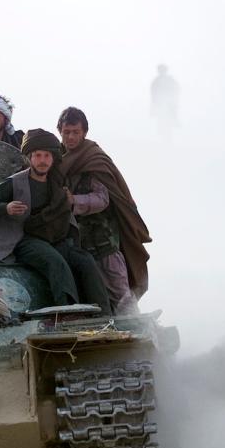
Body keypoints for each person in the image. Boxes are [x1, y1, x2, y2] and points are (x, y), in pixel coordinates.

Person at [0, 128, 111, 312]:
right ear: (29, 158)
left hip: (53, 239)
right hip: (24, 240)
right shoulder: (15, 182)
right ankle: (69, 313)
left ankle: (104, 315)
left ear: (53, 158)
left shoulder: (56, 183)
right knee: (55, 262)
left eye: (47, 156)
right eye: (38, 156)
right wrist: (5, 208)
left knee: (85, 261)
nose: (42, 161)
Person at [57, 107, 152, 312]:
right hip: (75, 243)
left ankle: (139, 332)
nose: (71, 137)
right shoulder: (56, 160)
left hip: (103, 241)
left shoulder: (93, 159)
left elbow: (103, 198)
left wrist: (73, 200)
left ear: (84, 133)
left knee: (121, 295)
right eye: (67, 132)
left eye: (76, 132)